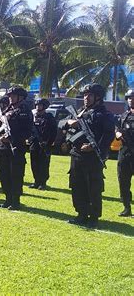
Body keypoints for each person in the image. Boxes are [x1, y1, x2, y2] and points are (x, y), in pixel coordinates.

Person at [61, 84, 115, 228]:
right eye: (85, 95)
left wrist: (92, 146)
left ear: (98, 97)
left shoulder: (104, 115)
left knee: (93, 187)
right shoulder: (79, 112)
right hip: (76, 155)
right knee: (77, 185)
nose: (86, 98)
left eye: (90, 95)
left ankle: (93, 217)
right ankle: (81, 214)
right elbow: (61, 124)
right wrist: (69, 123)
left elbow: (108, 135)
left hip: (92, 158)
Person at [0, 86, 33, 210]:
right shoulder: (8, 109)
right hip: (3, 146)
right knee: (4, 173)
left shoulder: (24, 110)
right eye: (9, 96)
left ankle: (15, 201)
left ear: (20, 97)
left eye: (13, 96)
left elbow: (26, 131)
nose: (10, 98)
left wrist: (11, 138)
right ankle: (7, 199)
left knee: (15, 174)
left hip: (16, 146)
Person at [28, 98, 57, 190]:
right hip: (34, 143)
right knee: (34, 163)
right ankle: (36, 181)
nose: (37, 107)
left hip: (45, 144)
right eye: (36, 105)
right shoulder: (33, 117)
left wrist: (48, 142)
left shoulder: (49, 117)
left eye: (39, 105)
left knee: (43, 164)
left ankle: (43, 182)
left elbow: (53, 131)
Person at [114, 88, 134, 217]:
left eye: (133, 98)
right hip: (125, 152)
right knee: (123, 180)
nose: (131, 100)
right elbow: (117, 128)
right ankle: (127, 207)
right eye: (129, 98)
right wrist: (117, 133)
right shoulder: (124, 115)